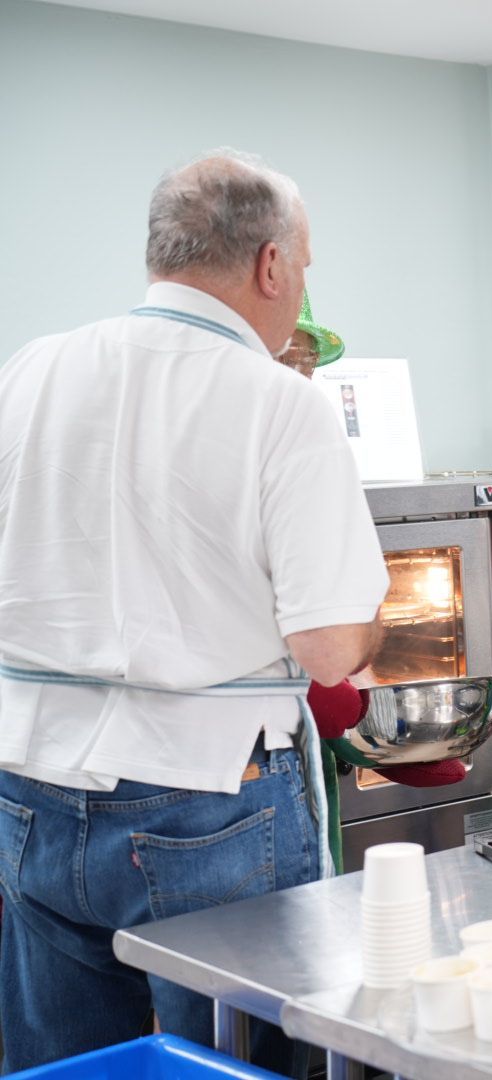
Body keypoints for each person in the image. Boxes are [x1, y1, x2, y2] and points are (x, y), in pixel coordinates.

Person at [0, 150, 388, 1069]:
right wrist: (370, 624)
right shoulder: (280, 404)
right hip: (207, 804)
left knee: (73, 1066)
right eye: (304, 267)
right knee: (234, 1060)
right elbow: (330, 648)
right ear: (271, 265)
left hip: (29, 788)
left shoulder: (30, 370)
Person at [272, 296, 467, 875]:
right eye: (290, 360)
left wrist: (386, 729)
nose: (303, 378)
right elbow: (326, 667)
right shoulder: (271, 452)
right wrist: (355, 709)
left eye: (309, 364)